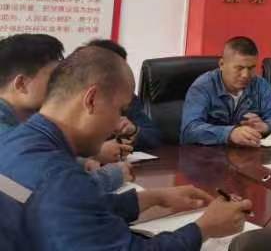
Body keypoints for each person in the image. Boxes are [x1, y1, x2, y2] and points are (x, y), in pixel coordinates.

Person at [0, 45, 251, 250]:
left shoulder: (14, 142)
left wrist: (154, 197)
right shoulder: (60, 177)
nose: (116, 125)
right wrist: (204, 228)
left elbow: (68, 209)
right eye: (120, 110)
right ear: (91, 100)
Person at [0, 34, 130, 193]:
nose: (62, 82)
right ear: (21, 84)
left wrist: (81, 161)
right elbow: (42, 192)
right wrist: (113, 175)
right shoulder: (7, 136)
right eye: (53, 76)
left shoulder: (22, 122)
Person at [181, 36, 271, 146]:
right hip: (207, 155)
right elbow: (189, 130)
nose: (245, 75)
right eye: (239, 68)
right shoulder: (203, 86)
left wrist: (266, 126)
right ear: (222, 64)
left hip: (246, 153)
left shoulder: (259, 84)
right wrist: (230, 134)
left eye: (251, 68)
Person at [81, 38, 161, 150]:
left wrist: (133, 130)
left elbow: (154, 137)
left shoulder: (127, 97)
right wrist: (97, 153)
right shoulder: (76, 97)